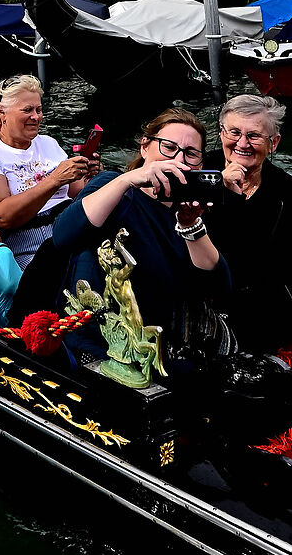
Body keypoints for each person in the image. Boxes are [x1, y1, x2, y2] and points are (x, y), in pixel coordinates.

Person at [47, 110, 231, 372]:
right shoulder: (113, 186)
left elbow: (218, 288)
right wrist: (127, 180)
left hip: (166, 344)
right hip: (101, 343)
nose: (178, 160)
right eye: (168, 148)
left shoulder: (195, 209)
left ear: (200, 165)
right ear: (145, 147)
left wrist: (190, 226)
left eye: (190, 154)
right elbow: (63, 235)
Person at [199, 93, 292, 352]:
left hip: (262, 299)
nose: (242, 143)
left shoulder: (287, 188)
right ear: (221, 133)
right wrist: (222, 189)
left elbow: (290, 260)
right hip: (203, 297)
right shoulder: (199, 171)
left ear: (273, 143)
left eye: (254, 136)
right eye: (234, 132)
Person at [0, 74, 98, 265]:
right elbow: (2, 216)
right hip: (26, 239)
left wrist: (88, 172)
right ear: (2, 112)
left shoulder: (48, 142)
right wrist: (55, 180)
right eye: (27, 110)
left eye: (39, 109)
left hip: (68, 224)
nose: (36, 117)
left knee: (107, 179)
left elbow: (75, 191)